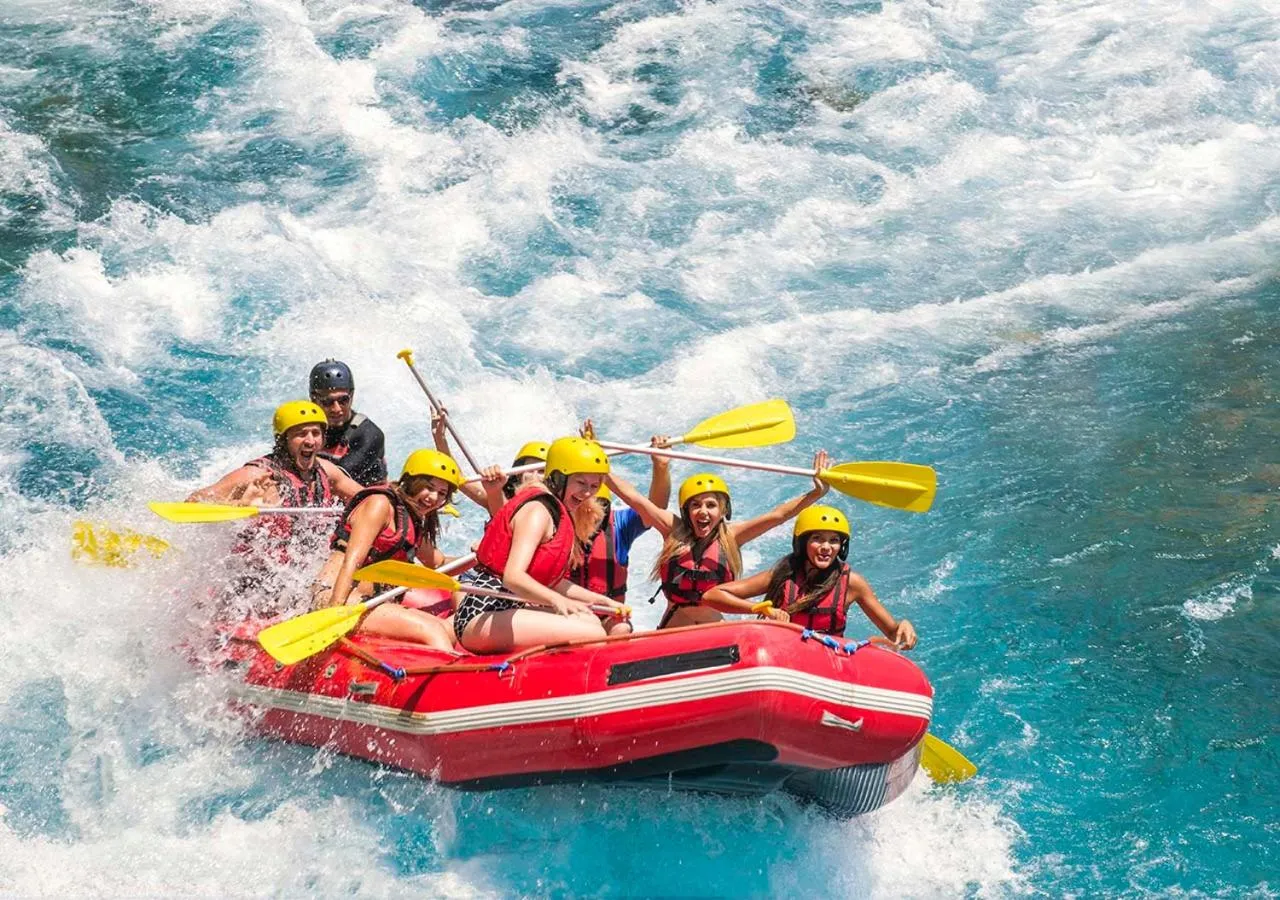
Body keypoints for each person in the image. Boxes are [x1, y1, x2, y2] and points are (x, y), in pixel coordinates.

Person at [606, 451, 832, 629]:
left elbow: (778, 516)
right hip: (673, 628)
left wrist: (816, 493)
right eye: (695, 505)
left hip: (715, 628)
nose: (703, 511)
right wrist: (599, 465)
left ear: (724, 510)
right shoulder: (672, 529)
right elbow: (633, 497)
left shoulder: (733, 536)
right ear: (686, 511)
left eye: (711, 505)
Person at [453, 437, 629, 653]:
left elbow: (553, 582)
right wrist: (557, 601)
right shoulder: (538, 511)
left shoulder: (557, 511)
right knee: (593, 634)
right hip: (480, 614)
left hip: (504, 609)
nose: (587, 493)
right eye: (580, 483)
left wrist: (603, 601)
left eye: (594, 486)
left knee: (590, 620)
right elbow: (513, 576)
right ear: (557, 477)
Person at [187, 400, 362, 615]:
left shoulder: (327, 472)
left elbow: (367, 499)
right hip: (253, 585)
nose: (310, 441)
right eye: (301, 434)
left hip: (303, 574)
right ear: (283, 439)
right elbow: (194, 502)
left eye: (316, 433)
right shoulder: (258, 475)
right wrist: (239, 505)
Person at [309, 449, 465, 651]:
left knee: (442, 626)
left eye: (442, 494)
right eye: (428, 487)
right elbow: (352, 561)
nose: (434, 498)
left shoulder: (412, 517)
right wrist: (334, 613)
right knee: (432, 630)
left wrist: (480, 557)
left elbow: (439, 564)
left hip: (371, 601)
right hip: (336, 596)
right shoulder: (380, 504)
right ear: (411, 481)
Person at [702, 505, 917, 648]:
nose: (826, 547)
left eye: (834, 540)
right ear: (802, 543)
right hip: (785, 657)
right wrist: (761, 608)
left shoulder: (852, 583)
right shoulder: (782, 575)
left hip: (827, 660)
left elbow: (893, 633)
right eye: (817, 539)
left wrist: (904, 626)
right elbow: (712, 595)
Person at [567, 435, 672, 611]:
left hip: (608, 617)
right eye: (584, 506)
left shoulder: (619, 526)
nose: (591, 514)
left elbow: (655, 509)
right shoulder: (554, 522)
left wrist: (660, 467)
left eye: (600, 508)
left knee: (621, 628)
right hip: (565, 615)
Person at [310, 359, 387, 486]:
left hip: (367, 500)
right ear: (314, 400)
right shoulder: (305, 430)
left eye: (343, 400)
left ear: (351, 395)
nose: (337, 409)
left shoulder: (370, 434)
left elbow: (337, 480)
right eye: (327, 402)